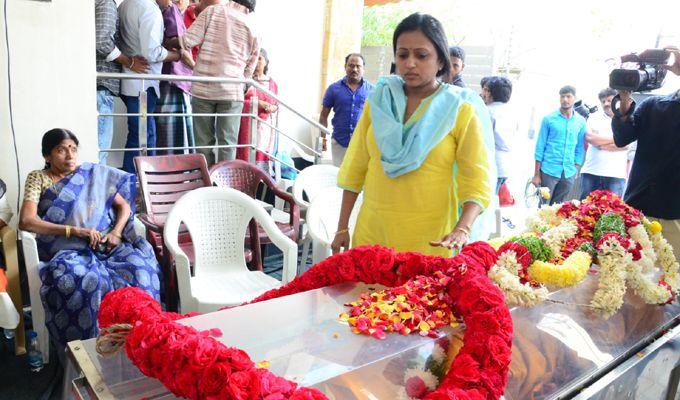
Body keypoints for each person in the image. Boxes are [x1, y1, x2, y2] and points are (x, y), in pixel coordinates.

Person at [331, 13, 491, 257]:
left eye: (421, 55)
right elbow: (356, 167)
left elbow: (477, 180)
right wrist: (342, 227)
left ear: (440, 60)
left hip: (431, 242)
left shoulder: (459, 109)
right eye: (403, 54)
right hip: (374, 235)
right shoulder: (379, 101)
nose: (410, 63)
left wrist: (463, 228)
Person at [18, 129, 162, 346]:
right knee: (89, 282)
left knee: (140, 270)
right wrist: (74, 231)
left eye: (73, 149)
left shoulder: (93, 176)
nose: (70, 155)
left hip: (107, 245)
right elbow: (26, 221)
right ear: (47, 156)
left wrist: (116, 232)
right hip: (67, 251)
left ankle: (141, 342)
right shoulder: (38, 178)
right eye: (61, 150)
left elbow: (124, 208)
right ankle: (89, 349)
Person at [166, 0, 259, 166]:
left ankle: (206, 184)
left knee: (203, 143)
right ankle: (223, 186)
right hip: (232, 91)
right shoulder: (253, 26)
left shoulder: (213, 11)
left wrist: (168, 42)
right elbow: (251, 66)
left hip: (204, 86)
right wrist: (240, 85)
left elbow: (188, 40)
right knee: (227, 144)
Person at [613, 47, 680, 259]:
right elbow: (622, 138)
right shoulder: (653, 105)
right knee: (630, 275)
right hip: (638, 207)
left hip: (675, 215)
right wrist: (624, 99)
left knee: (672, 280)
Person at [118, 0, 193, 173]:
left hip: (131, 79)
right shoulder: (149, 9)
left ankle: (137, 183)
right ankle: (141, 184)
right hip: (143, 83)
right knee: (144, 137)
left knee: (139, 135)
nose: (172, 2)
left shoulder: (125, 4)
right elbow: (152, 52)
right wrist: (177, 56)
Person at [95, 0, 149, 165]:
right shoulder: (106, 2)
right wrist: (129, 62)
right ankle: (98, 191)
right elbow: (102, 43)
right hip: (102, 85)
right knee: (100, 151)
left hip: (98, 86)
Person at [533, 85, 586, 205]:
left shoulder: (580, 121)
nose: (565, 100)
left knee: (559, 208)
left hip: (568, 172)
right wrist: (536, 174)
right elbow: (540, 147)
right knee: (543, 206)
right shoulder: (549, 119)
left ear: (575, 98)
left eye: (568, 96)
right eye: (562, 96)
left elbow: (580, 147)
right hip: (548, 170)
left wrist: (576, 169)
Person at [319, 53, 374, 167]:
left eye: (358, 66)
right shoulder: (333, 89)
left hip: (362, 144)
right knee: (338, 177)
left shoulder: (372, 90)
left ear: (363, 68)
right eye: (351, 65)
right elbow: (324, 115)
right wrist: (323, 138)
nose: (354, 69)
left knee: (358, 180)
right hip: (340, 143)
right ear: (345, 67)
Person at [156, 0, 195, 155]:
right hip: (175, 80)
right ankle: (176, 175)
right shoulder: (172, 11)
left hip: (166, 78)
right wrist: (197, 69)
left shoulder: (160, 10)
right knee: (175, 138)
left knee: (165, 134)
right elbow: (180, 47)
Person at [578, 88, 628, 199]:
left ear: (617, 100)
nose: (606, 104)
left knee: (612, 213)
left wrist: (601, 142)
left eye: (609, 100)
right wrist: (618, 140)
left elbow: (628, 144)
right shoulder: (593, 117)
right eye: (603, 101)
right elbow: (590, 138)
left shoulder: (626, 119)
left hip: (615, 175)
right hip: (591, 172)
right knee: (584, 211)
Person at [237, 49, 279, 172]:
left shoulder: (271, 83)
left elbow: (277, 104)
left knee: (262, 153)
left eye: (260, 58)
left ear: (266, 62)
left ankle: (262, 184)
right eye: (255, 59)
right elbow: (238, 102)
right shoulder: (247, 82)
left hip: (265, 128)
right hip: (249, 127)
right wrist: (257, 103)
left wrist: (273, 108)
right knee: (249, 154)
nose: (257, 62)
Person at [481, 76, 515, 194]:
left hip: (489, 164)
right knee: (493, 201)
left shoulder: (487, 111)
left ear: (491, 93)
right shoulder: (511, 111)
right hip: (504, 166)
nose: (483, 93)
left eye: (485, 89)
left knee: (484, 204)